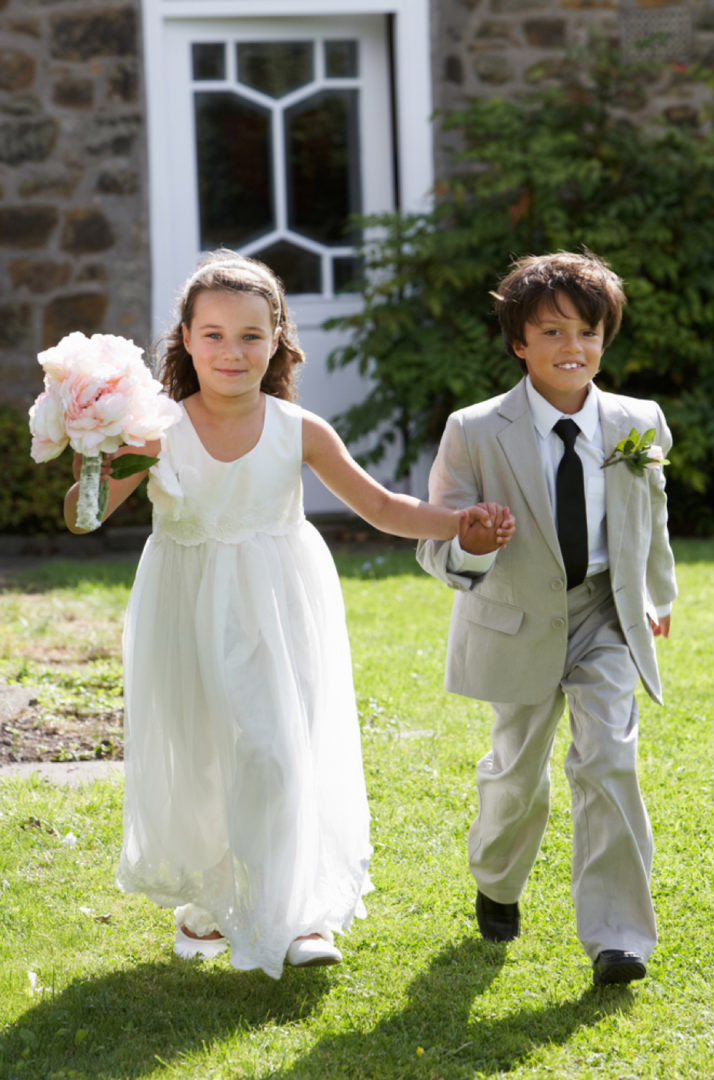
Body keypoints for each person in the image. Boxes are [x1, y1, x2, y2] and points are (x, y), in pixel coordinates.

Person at [64, 250, 514, 979]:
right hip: (184, 602)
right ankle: (208, 903)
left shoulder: (297, 427)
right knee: (202, 750)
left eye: (251, 335)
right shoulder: (157, 431)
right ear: (184, 338)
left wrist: (458, 526)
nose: (232, 352)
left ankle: (299, 911)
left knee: (277, 751)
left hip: (277, 602)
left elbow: (382, 506)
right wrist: (92, 449)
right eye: (213, 335)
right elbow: (86, 520)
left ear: (278, 340)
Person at [416, 250, 677, 987]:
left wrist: (655, 597)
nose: (574, 348)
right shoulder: (473, 431)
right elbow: (437, 548)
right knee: (516, 776)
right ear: (518, 342)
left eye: (589, 333)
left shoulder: (637, 422)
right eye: (553, 332)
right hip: (517, 619)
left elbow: (648, 519)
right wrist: (469, 544)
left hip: (603, 615)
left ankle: (618, 936)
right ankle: (496, 880)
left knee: (609, 760)